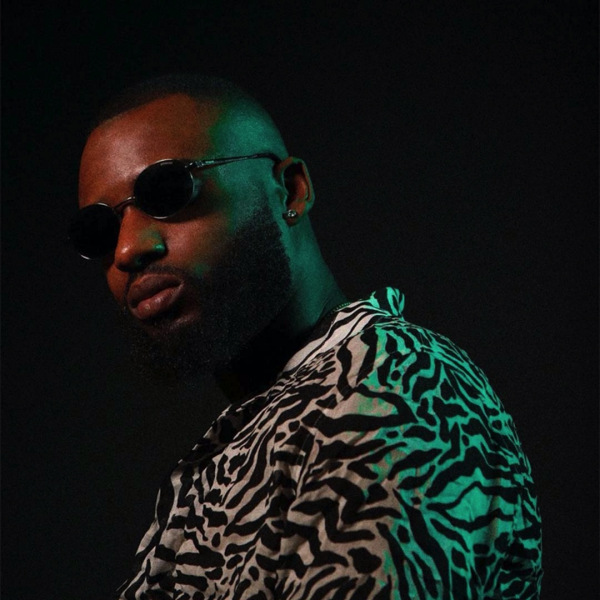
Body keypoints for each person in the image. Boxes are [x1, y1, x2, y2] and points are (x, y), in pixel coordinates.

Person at [70, 74, 542, 599]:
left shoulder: (392, 385)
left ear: (290, 190)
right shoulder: (242, 437)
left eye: (167, 191)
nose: (127, 250)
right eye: (99, 231)